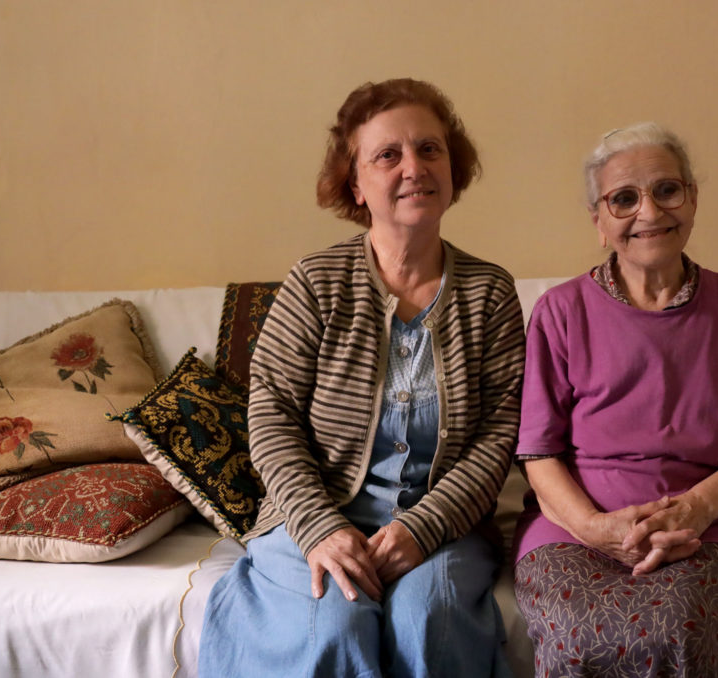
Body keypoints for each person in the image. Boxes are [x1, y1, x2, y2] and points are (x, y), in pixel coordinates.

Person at [199, 78, 526, 678]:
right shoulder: (316, 281)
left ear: (454, 168)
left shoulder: (489, 291)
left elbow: (499, 435)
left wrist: (422, 528)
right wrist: (322, 527)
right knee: (335, 625)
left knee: (431, 619)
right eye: (388, 155)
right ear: (355, 183)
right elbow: (270, 415)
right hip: (315, 514)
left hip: (444, 524)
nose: (414, 168)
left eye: (430, 149)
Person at [512, 122, 718, 676]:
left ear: (692, 200)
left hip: (703, 530)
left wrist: (696, 509)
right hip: (574, 531)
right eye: (624, 199)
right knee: (578, 634)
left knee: (680, 626)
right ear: (599, 223)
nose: (649, 212)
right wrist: (596, 527)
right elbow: (537, 454)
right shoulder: (559, 312)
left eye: (667, 190)